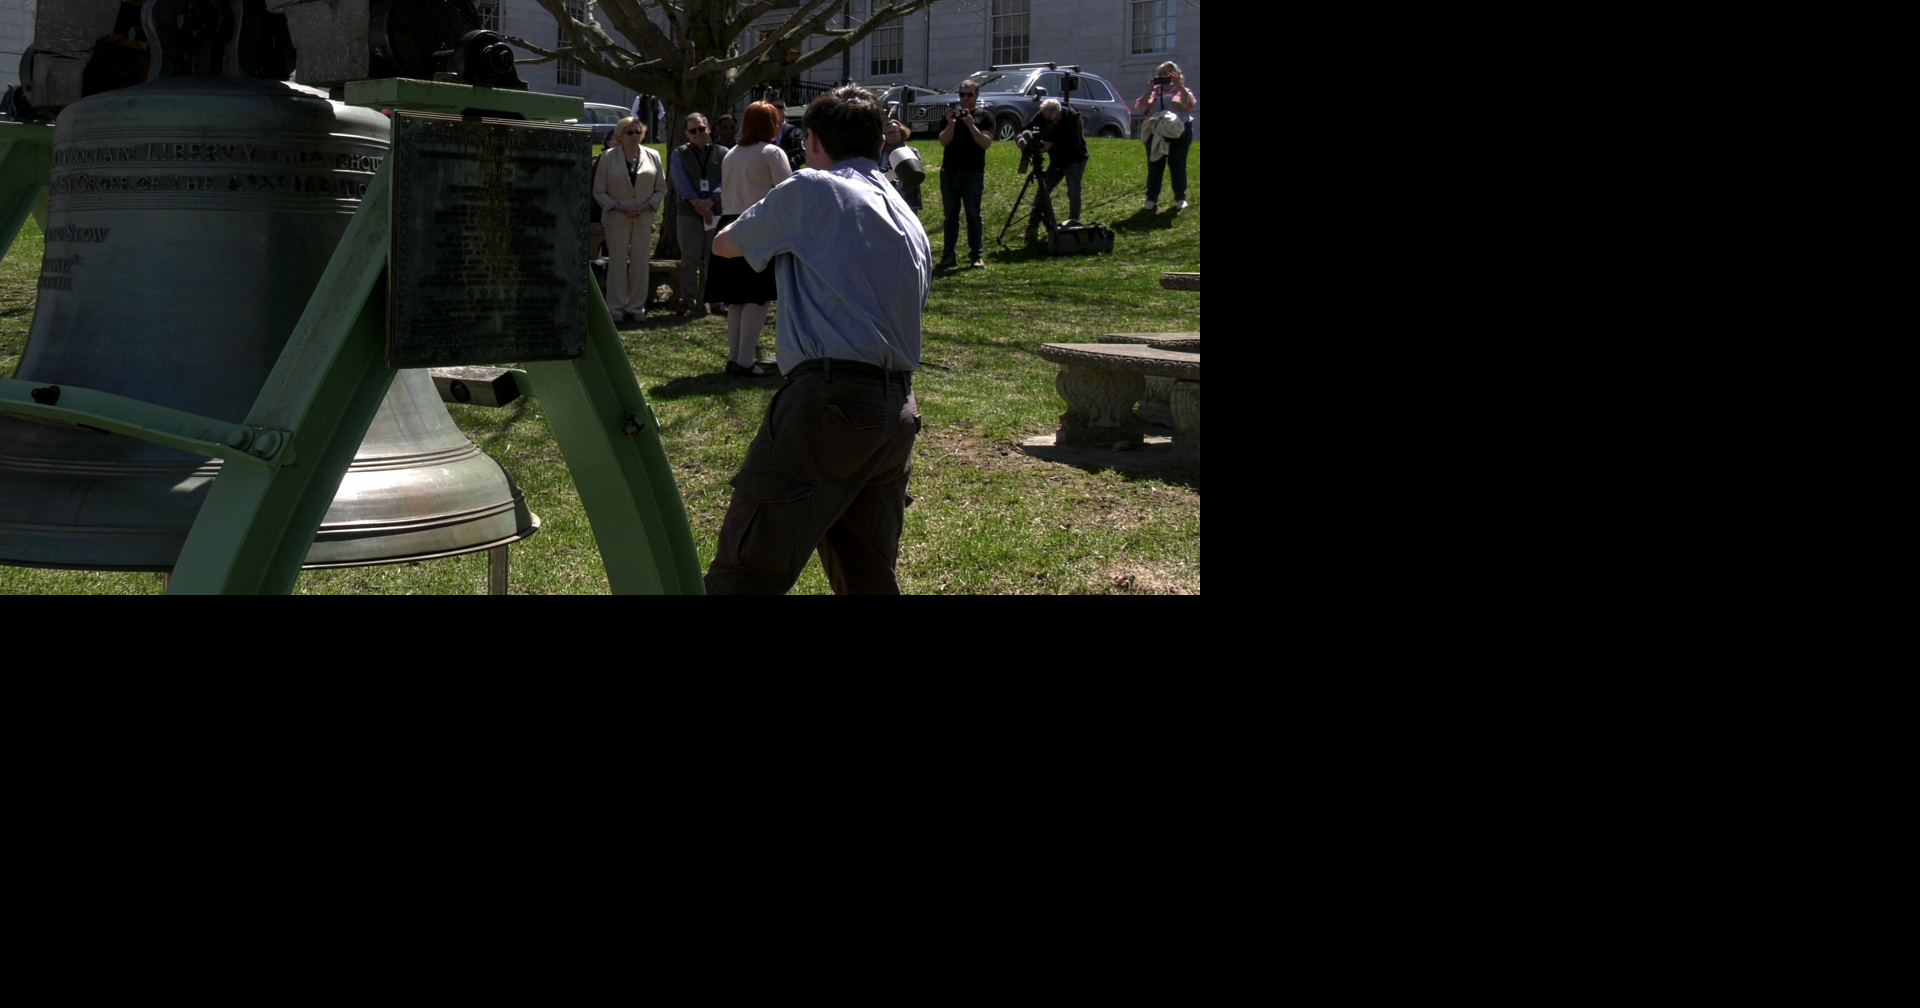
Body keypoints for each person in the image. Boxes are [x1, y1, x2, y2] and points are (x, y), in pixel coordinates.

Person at [705, 84, 931, 594]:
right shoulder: (905, 212)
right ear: (879, 141)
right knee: (866, 577)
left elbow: (725, 245)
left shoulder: (811, 188)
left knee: (746, 570)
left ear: (809, 140)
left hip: (828, 402)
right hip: (896, 409)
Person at [706, 101, 792, 377]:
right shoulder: (771, 152)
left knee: (738, 299)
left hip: (730, 224)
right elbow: (788, 193)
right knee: (757, 297)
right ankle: (744, 361)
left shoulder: (731, 154)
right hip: (758, 225)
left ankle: (737, 358)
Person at [592, 116, 667, 322]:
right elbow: (599, 191)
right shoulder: (608, 157)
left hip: (643, 218)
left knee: (640, 262)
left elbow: (661, 188)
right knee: (616, 263)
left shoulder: (652, 156)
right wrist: (618, 206)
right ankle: (615, 308)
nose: (634, 136)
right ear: (620, 135)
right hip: (617, 218)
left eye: (637, 132)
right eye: (629, 132)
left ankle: (636, 307)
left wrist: (647, 205)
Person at [670, 112, 725, 314]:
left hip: (715, 211)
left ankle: (717, 301)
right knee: (689, 258)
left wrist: (711, 201)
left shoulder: (723, 153)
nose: (698, 133)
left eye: (701, 129)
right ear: (686, 134)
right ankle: (688, 300)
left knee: (716, 257)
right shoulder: (679, 154)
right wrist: (699, 205)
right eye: (693, 131)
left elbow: (726, 179)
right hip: (689, 213)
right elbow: (680, 182)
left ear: (709, 128)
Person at [937, 80, 993, 270]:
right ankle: (948, 255)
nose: (965, 99)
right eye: (962, 95)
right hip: (950, 171)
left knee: (973, 215)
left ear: (977, 95)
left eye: (969, 95)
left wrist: (970, 125)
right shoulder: (950, 117)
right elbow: (943, 142)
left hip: (973, 172)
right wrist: (952, 123)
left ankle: (976, 254)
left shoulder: (985, 116)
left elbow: (985, 143)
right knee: (950, 216)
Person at [1017, 98, 1088, 241]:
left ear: (1058, 113)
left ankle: (1074, 227)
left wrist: (1053, 145)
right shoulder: (1044, 114)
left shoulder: (1073, 117)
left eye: (1051, 119)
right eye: (1046, 118)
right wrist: (1021, 138)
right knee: (1043, 191)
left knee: (1074, 193)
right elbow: (1027, 128)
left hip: (1075, 159)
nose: (1048, 121)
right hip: (1056, 161)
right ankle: (1033, 227)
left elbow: (1076, 142)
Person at [1134, 61, 1197, 212]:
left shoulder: (1182, 91)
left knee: (1178, 164)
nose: (1166, 76)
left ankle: (1180, 198)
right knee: (1155, 165)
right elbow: (1141, 107)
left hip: (1179, 133)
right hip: (1156, 133)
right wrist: (1149, 90)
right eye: (1163, 73)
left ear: (1177, 75)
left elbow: (1190, 104)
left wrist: (1179, 86)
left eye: (1170, 73)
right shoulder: (1154, 93)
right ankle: (1151, 199)